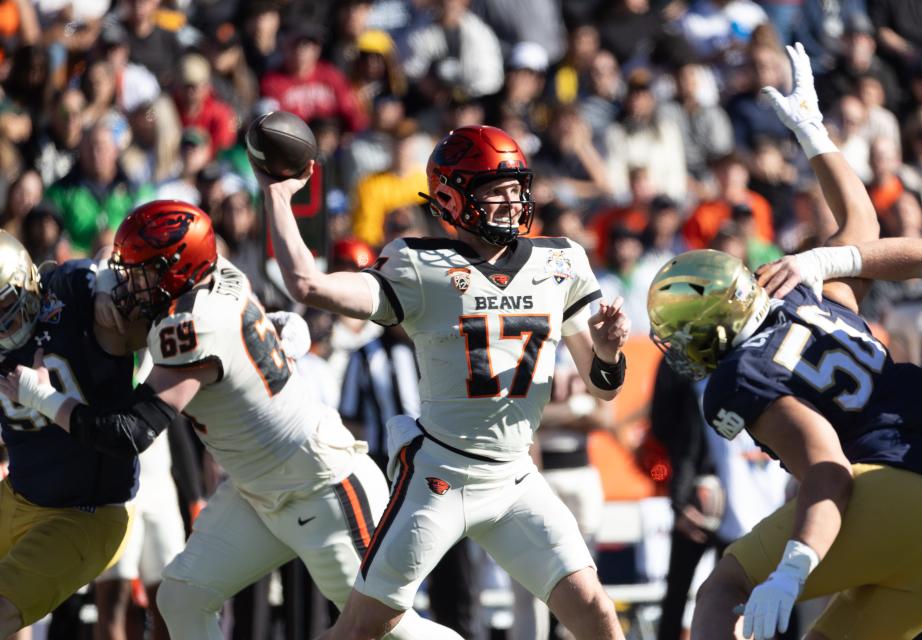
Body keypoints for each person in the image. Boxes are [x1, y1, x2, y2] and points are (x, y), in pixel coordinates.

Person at [0, 200, 461, 640]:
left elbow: (129, 433)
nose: (126, 282)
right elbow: (261, 330)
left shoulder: (187, 327)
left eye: (139, 272)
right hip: (256, 490)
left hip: (322, 485)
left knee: (387, 627)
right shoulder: (221, 277)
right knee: (181, 597)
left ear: (174, 274)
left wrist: (42, 396)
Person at [258, 124, 630, 640]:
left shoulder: (561, 260)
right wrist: (276, 195)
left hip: (516, 478)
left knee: (596, 611)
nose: (510, 200)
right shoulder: (419, 265)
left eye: (515, 187)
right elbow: (308, 284)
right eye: (492, 189)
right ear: (451, 197)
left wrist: (608, 350)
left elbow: (605, 388)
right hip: (441, 475)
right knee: (362, 628)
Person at [648, 44, 922, 640]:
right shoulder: (808, 299)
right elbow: (862, 232)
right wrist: (814, 133)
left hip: (889, 487)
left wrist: (794, 568)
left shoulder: (741, 377)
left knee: (722, 587)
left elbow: (827, 467)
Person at [0, 231, 142, 636]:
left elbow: (109, 256)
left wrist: (105, 283)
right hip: (19, 494)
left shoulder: (68, 290)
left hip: (88, 511)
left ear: (28, 280)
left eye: (6, 305)